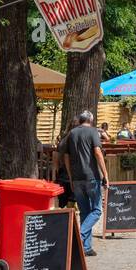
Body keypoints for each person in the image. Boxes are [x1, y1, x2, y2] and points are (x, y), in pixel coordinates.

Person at [55, 110, 109, 257]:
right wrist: (106, 175)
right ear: (91, 120)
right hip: (91, 177)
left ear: (80, 120)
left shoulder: (72, 134)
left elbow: (65, 156)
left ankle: (86, 247)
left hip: (77, 178)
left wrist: (71, 178)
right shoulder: (92, 132)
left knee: (85, 212)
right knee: (97, 211)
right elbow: (98, 153)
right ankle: (80, 234)